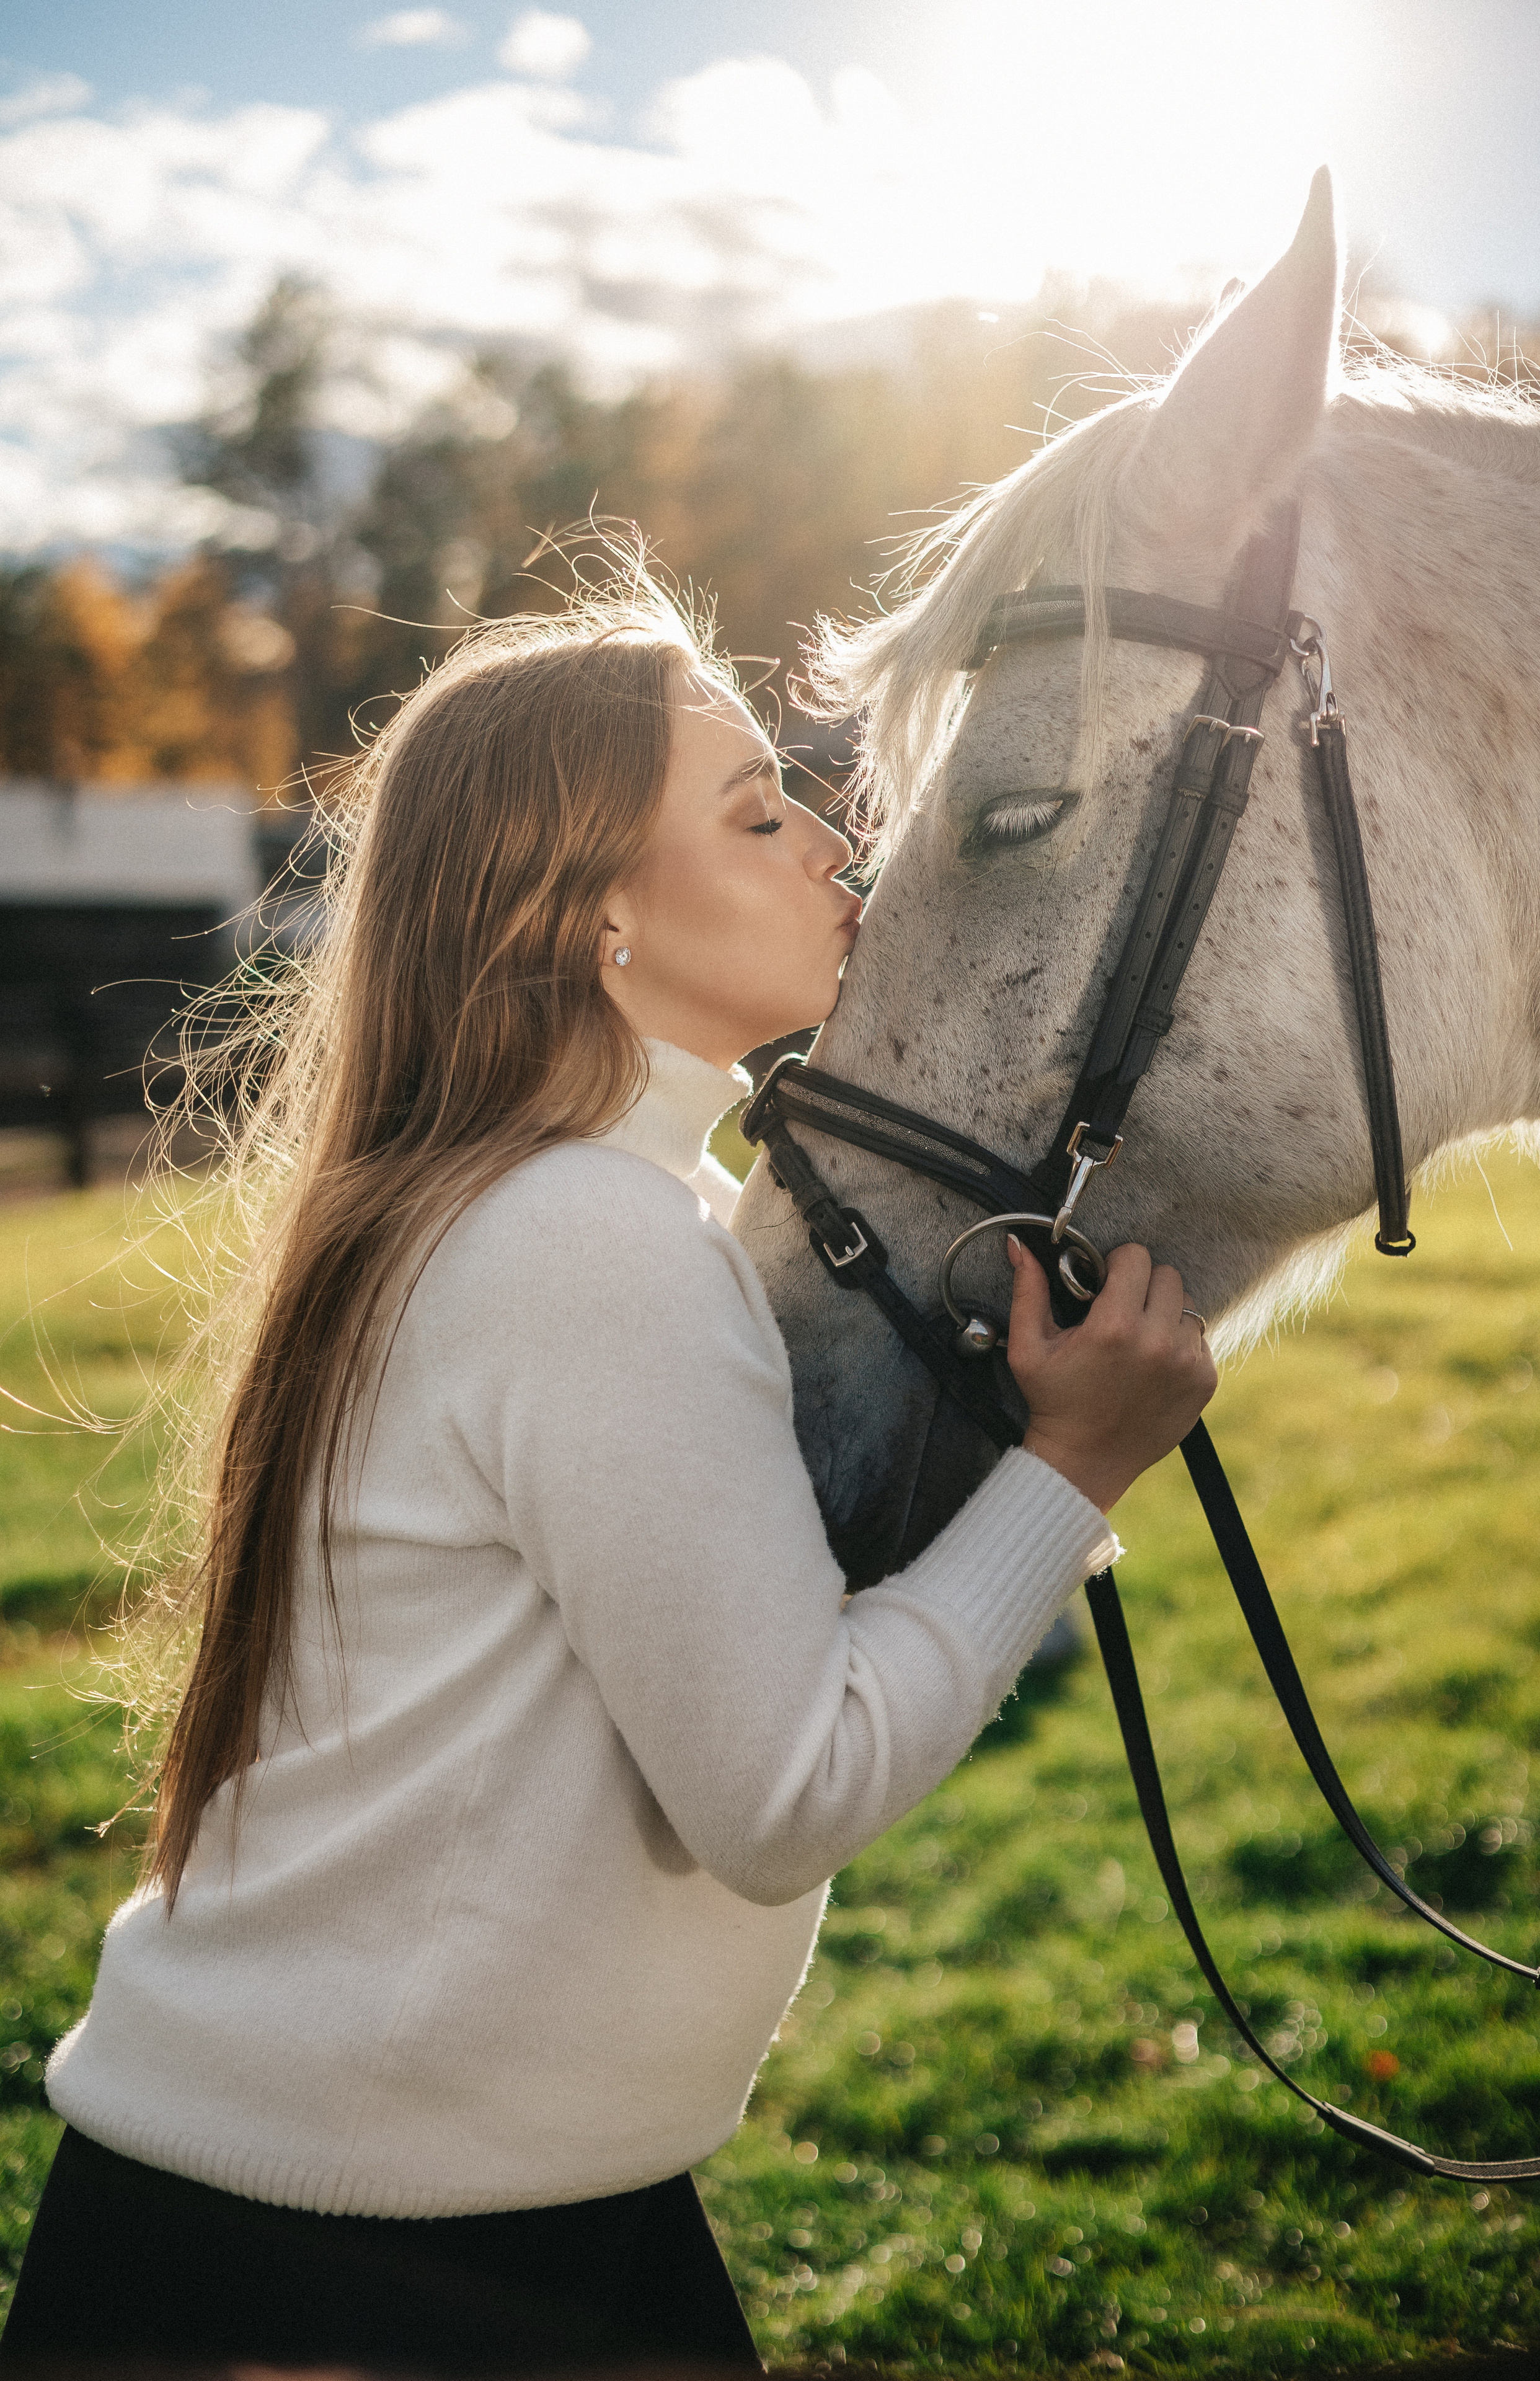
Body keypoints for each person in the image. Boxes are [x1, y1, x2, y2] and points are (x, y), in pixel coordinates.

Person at [0, 575, 1215, 2373]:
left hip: (447, 2197)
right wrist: (1075, 1469)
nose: (838, 845)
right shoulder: (590, 1236)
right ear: (593, 918)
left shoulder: (560, 1201)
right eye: (758, 814)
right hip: (346, 2262)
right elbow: (787, 1792)